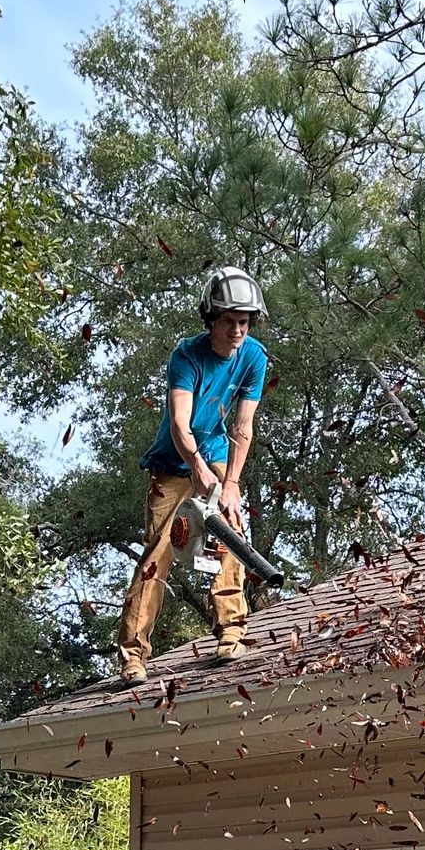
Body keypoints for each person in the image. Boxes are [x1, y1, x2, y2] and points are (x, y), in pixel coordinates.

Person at [114, 267, 269, 685]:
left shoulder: (254, 357)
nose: (238, 329)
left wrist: (231, 484)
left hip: (218, 455)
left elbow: (243, 426)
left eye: (244, 321)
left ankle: (232, 630)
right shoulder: (186, 356)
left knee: (230, 532)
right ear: (211, 319)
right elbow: (180, 424)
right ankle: (133, 655)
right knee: (159, 551)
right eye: (229, 321)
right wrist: (196, 467)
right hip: (173, 462)